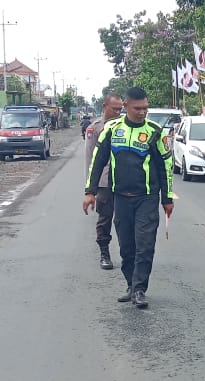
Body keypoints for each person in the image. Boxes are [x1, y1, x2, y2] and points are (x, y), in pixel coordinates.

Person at [85, 86, 174, 309]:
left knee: (145, 245)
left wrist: (167, 198)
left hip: (147, 198)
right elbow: (98, 160)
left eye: (145, 108)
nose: (143, 112)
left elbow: (166, 166)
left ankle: (140, 289)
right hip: (121, 198)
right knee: (126, 247)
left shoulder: (155, 131)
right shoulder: (112, 130)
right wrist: (90, 191)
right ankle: (130, 285)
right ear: (126, 107)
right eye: (138, 108)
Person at [82, 93, 125, 270]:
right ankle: (104, 254)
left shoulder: (125, 126)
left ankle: (127, 254)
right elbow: (90, 158)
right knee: (105, 219)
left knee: (124, 220)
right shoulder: (94, 128)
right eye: (114, 108)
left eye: (120, 109)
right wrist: (90, 189)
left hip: (124, 181)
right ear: (104, 107)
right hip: (104, 182)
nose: (118, 112)